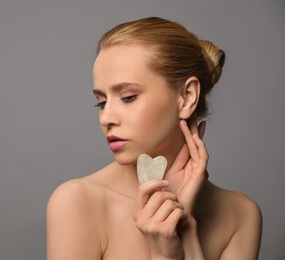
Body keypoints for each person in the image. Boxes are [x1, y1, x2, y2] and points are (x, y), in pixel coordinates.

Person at [46, 17, 262, 260]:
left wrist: (186, 231)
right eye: (101, 102)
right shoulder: (77, 203)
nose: (106, 118)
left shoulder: (241, 214)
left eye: (128, 97)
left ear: (187, 97)